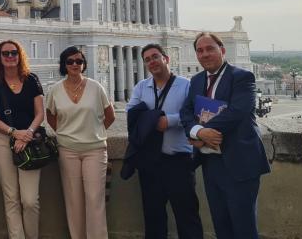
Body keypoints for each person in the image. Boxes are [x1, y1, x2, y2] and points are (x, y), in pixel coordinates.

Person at [180, 32, 270, 239]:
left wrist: (202, 132)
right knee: (222, 226)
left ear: (222, 50)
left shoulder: (242, 77)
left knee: (243, 228)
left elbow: (237, 112)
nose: (204, 54)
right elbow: (186, 112)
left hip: (239, 162)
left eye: (210, 48)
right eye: (200, 50)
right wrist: (199, 131)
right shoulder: (196, 81)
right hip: (211, 163)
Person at [126, 44, 203, 239]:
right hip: (149, 162)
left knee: (187, 216)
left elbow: (195, 114)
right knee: (153, 217)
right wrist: (152, 119)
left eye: (155, 57)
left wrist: (169, 120)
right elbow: (132, 115)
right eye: (147, 59)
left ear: (166, 59)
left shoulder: (186, 85)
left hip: (179, 160)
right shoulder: (141, 87)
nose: (152, 62)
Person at [46, 46, 115, 239]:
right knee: (74, 201)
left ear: (84, 64)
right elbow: (51, 116)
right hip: (68, 150)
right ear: (64, 65)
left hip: (95, 149)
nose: (75, 64)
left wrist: (94, 132)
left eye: (79, 61)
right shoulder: (55, 90)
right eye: (70, 61)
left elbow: (109, 116)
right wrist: (64, 133)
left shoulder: (96, 87)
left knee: (95, 199)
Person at [0, 40, 44, 239]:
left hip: (29, 141)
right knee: (11, 198)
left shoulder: (32, 80)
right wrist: (13, 132)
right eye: (5, 54)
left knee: (30, 200)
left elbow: (40, 114)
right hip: (2, 141)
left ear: (20, 55)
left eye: (13, 53)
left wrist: (25, 134)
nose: (10, 57)